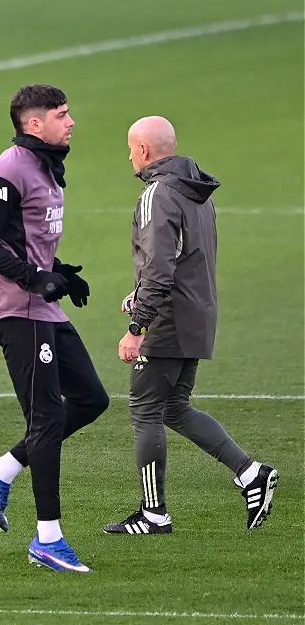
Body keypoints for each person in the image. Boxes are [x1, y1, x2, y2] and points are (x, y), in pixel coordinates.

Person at [104, 116, 277, 535]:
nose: (129, 157)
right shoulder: (196, 192)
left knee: (145, 411)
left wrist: (137, 326)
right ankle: (250, 473)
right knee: (174, 408)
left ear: (143, 150)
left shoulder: (157, 194)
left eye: (130, 148)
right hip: (196, 315)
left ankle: (153, 514)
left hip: (167, 321)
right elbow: (184, 262)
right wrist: (140, 294)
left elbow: (160, 268)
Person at [0, 83, 109, 573]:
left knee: (91, 398)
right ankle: (48, 539)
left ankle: (0, 471)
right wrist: (33, 277)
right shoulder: (9, 169)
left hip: (41, 308)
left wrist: (59, 272)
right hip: (15, 309)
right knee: (45, 420)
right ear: (34, 123)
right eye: (62, 115)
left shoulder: (44, 166)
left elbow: (23, 237)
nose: (71, 122)